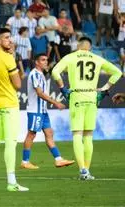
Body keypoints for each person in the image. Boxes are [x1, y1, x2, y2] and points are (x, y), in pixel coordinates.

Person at [51, 37, 122, 180]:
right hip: (92, 97)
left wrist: (63, 88)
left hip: (77, 95)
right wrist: (104, 89)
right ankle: (87, 171)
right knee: (88, 135)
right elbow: (118, 72)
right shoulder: (97, 58)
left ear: (78, 46)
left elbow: (54, 72)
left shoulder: (70, 57)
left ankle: (82, 171)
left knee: (77, 134)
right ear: (89, 47)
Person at [0, 27, 29, 192]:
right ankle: (11, 182)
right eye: (7, 38)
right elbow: (17, 84)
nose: (11, 40)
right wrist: (12, 58)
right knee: (10, 143)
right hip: (9, 105)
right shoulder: (8, 59)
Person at [21, 53, 75, 169]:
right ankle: (25, 162)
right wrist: (55, 102)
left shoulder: (41, 74)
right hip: (35, 110)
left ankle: (58, 159)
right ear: (36, 62)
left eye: (46, 60)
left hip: (43, 110)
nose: (46, 62)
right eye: (43, 60)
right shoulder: (35, 74)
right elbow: (40, 93)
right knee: (31, 134)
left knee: (49, 133)